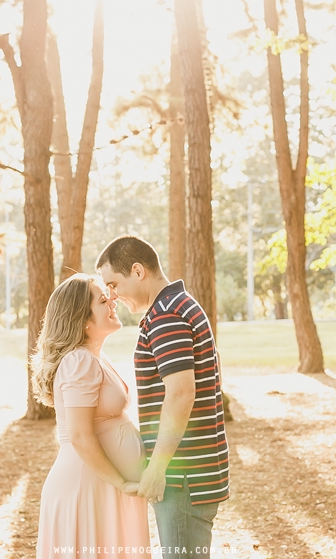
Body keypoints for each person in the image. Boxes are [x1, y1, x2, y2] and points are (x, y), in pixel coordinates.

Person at [96, 236, 230, 558]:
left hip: (182, 477)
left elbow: (181, 393)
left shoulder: (166, 315)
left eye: (114, 284)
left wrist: (157, 467)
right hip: (188, 473)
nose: (112, 297)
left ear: (138, 271)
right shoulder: (175, 306)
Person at [32, 274, 150, 558]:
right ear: (82, 318)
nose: (113, 301)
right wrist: (121, 482)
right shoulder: (78, 361)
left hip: (102, 485)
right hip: (87, 487)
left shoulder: (94, 357)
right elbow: (80, 436)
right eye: (102, 299)